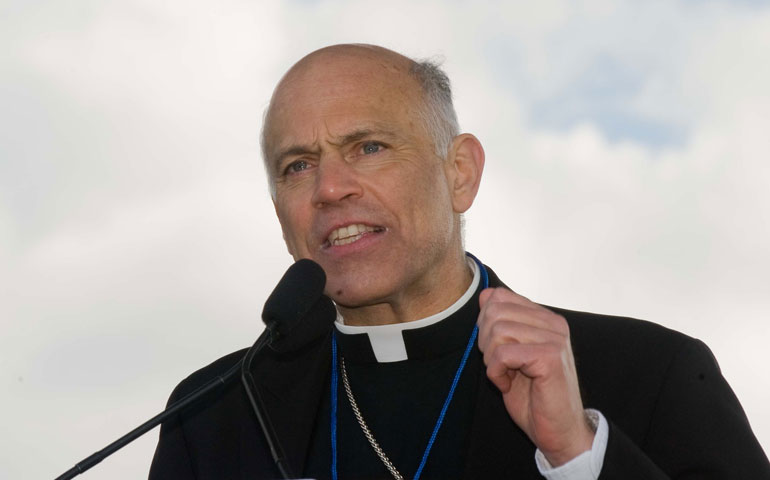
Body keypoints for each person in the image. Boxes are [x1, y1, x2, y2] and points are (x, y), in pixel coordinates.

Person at [150, 44, 770, 479]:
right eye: (297, 165)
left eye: (368, 147)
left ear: (460, 173)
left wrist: (578, 455)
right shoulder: (215, 414)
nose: (329, 188)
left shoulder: (651, 374)